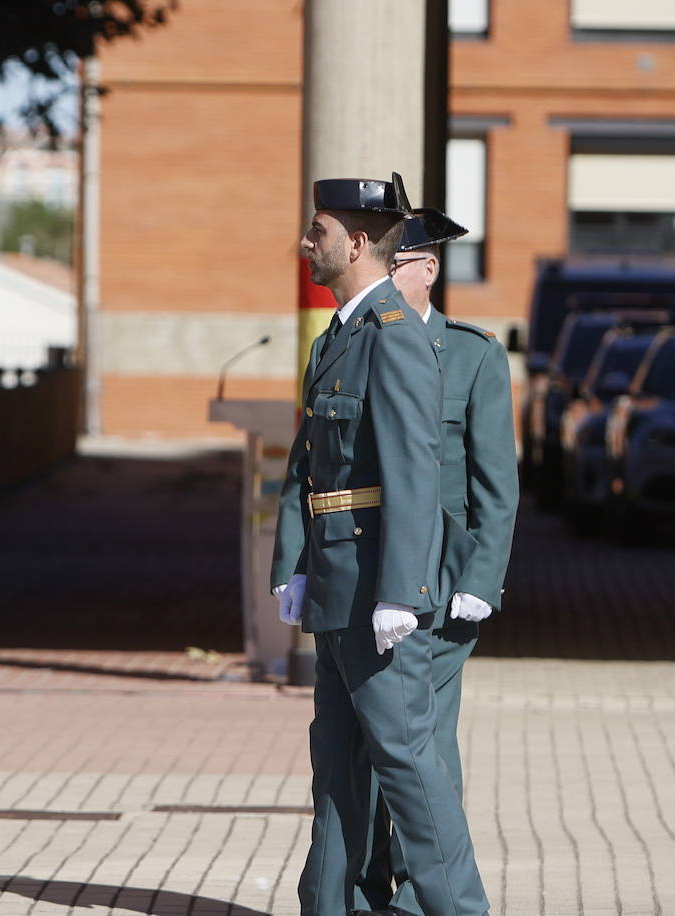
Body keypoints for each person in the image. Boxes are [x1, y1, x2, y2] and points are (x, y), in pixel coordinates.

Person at [269, 176, 489, 916]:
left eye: (319, 230)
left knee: (406, 760)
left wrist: (403, 590)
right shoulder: (341, 335)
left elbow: (413, 478)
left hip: (377, 590)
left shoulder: (394, 336)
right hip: (338, 582)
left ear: (358, 243)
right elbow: (312, 468)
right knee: (335, 760)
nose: (307, 242)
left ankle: (458, 908)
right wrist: (296, 563)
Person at [351, 209, 519, 915]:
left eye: (392, 270)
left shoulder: (474, 354)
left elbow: (495, 484)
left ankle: (427, 898)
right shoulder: (356, 343)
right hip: (364, 572)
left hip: (444, 583)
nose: (381, 284)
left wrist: (483, 578)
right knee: (362, 746)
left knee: (424, 746)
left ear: (426, 269)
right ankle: (365, 888)